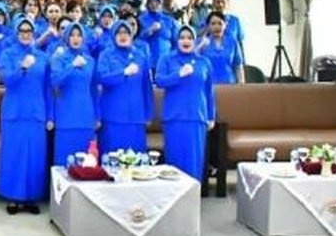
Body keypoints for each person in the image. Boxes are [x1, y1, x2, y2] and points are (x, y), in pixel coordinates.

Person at [0, 17, 49, 215]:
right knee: (13, 155)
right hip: (14, 112)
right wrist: (22, 68)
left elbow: (47, 89)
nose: (26, 34)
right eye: (22, 31)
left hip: (36, 113)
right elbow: (7, 80)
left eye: (29, 31)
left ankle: (30, 197)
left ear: (34, 33)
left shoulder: (43, 57)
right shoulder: (7, 54)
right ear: (17, 33)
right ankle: (12, 197)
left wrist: (49, 114)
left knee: (34, 156)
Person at [155, 25, 216, 181]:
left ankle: (193, 198)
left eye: (189, 38)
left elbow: (209, 91)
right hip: (174, 117)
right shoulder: (167, 58)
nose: (185, 41)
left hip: (196, 117)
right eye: (182, 37)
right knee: (175, 159)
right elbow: (159, 81)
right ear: (177, 40)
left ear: (195, 41)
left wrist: (211, 116)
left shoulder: (204, 62)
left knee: (194, 160)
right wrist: (179, 74)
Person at [95, 20, 154, 154]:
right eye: (119, 33)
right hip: (112, 116)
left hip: (136, 116)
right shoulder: (106, 55)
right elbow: (102, 78)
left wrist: (148, 113)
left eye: (126, 32)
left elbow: (147, 87)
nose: (123, 36)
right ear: (113, 35)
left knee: (136, 158)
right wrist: (124, 73)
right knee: (112, 158)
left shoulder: (141, 56)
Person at [48, 23, 99, 166]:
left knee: (87, 161)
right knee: (64, 161)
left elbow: (94, 89)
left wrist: (97, 116)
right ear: (66, 38)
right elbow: (54, 81)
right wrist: (72, 66)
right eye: (72, 35)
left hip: (86, 116)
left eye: (79, 35)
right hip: (65, 116)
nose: (75, 38)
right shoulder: (59, 59)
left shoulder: (90, 61)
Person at [197, 11, 244, 84]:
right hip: (207, 85)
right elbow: (191, 61)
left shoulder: (232, 42)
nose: (217, 26)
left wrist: (241, 83)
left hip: (229, 85)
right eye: (213, 24)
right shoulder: (201, 42)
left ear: (225, 25)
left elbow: (238, 65)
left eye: (220, 23)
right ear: (208, 26)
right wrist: (200, 46)